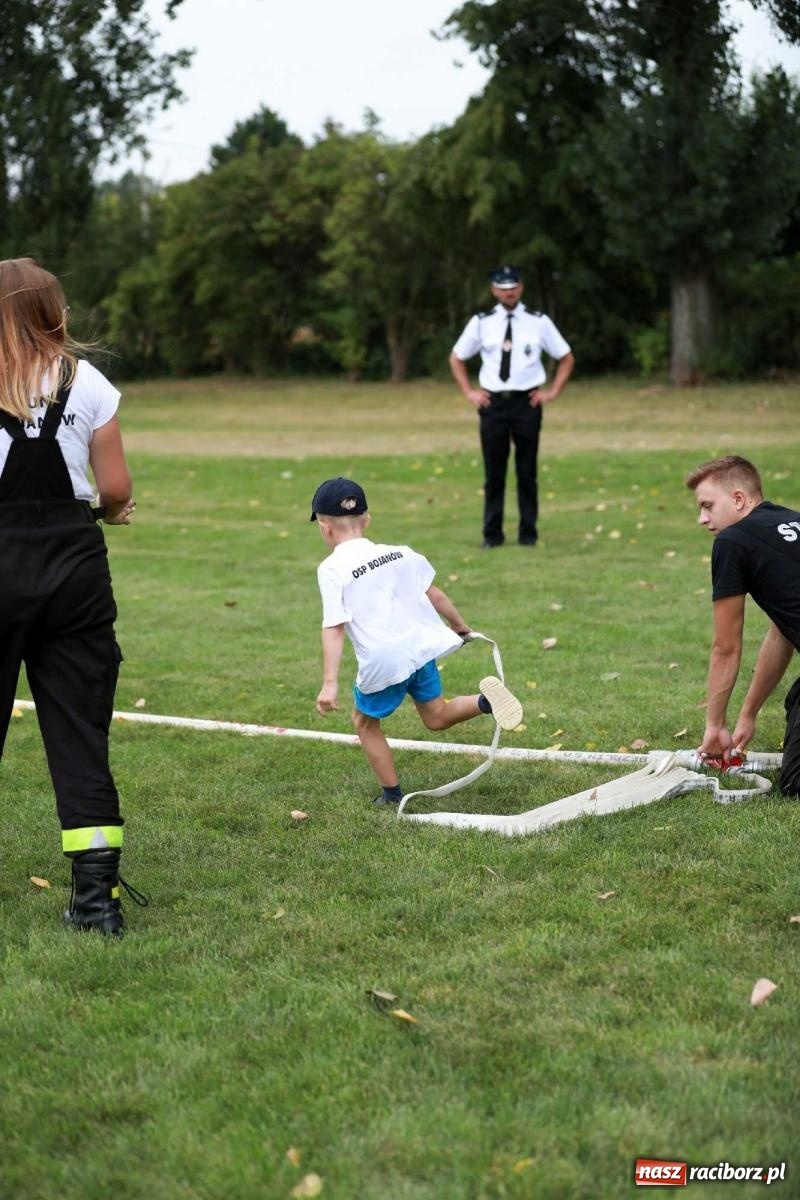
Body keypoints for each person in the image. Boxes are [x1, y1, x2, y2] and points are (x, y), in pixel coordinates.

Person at [0, 257, 141, 935]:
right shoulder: (87, 381)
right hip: (74, 571)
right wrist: (114, 511)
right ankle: (95, 902)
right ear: (52, 312)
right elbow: (114, 490)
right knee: (79, 734)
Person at [311, 477, 523, 805]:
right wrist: (460, 626)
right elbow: (434, 593)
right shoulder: (401, 554)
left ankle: (392, 795)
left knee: (364, 723)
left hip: (384, 659)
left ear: (324, 528)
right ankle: (486, 702)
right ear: (367, 520)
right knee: (436, 716)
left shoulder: (331, 569)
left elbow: (334, 628)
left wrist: (329, 684)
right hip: (420, 649)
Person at [686, 454, 800, 795]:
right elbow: (783, 631)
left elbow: (726, 647)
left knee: (795, 784)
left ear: (738, 499)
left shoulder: (732, 541)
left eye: (707, 506)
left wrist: (715, 725)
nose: (701, 519)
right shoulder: (791, 521)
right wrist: (748, 714)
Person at [449, 265, 574, 548]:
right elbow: (457, 357)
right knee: (494, 473)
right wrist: (469, 391)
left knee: (527, 472)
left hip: (526, 403)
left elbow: (566, 356)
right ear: (494, 290)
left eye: (513, 287)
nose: (509, 293)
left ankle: (528, 533)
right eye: (503, 288)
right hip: (493, 404)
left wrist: (552, 391)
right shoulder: (482, 322)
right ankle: (492, 535)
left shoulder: (538, 321)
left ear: (521, 288)